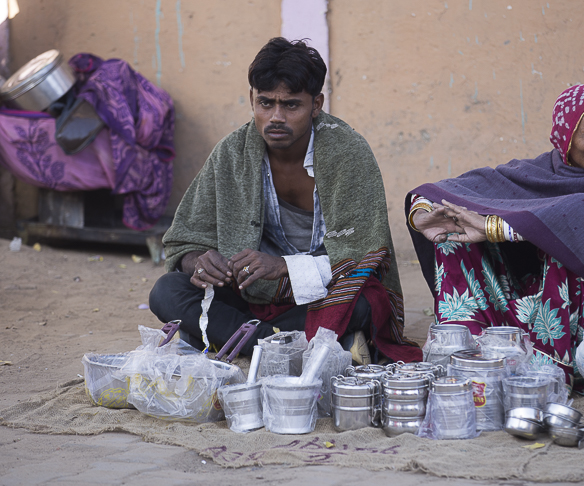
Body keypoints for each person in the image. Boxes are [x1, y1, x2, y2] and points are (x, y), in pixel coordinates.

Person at [150, 37, 421, 364]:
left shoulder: (349, 153)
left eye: (291, 105)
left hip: (321, 296)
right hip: (251, 294)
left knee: (364, 302)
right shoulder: (231, 154)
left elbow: (365, 254)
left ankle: (237, 339)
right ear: (252, 99)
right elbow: (185, 240)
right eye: (266, 103)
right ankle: (303, 345)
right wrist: (200, 262)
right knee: (167, 291)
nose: (276, 116)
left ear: (316, 104)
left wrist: (283, 267)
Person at [406, 84, 584, 393]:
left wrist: (496, 228)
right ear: (566, 142)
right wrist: (423, 211)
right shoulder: (543, 170)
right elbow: (459, 187)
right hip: (537, 296)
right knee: (453, 235)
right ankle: (467, 346)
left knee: (569, 240)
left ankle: (552, 369)